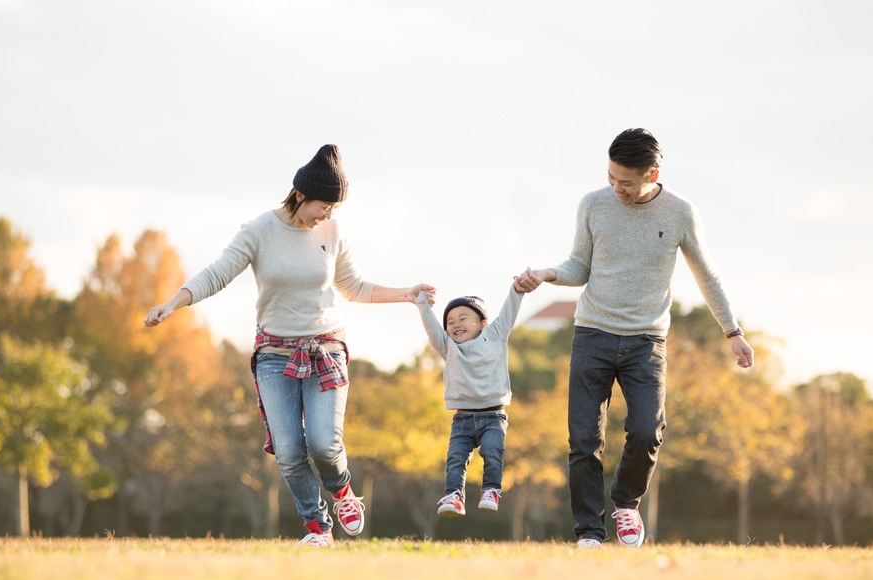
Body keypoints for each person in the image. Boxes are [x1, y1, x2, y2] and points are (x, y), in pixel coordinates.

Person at [144, 144, 435, 547]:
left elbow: (353, 286)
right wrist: (172, 303)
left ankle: (343, 492)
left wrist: (407, 293)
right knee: (288, 449)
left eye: (333, 208)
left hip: (325, 349)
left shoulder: (331, 233)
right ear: (300, 194)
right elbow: (217, 274)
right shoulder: (259, 231)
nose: (327, 215)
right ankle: (318, 529)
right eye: (323, 205)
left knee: (323, 443)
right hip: (274, 354)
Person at [514, 128, 753, 548]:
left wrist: (732, 332)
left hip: (646, 340)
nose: (616, 188)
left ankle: (626, 503)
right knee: (584, 439)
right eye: (611, 177)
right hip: (592, 333)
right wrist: (548, 275)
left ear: (652, 173)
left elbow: (707, 275)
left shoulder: (680, 213)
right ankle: (589, 532)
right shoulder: (592, 204)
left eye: (626, 182)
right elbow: (578, 267)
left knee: (647, 430)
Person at [414, 283, 526, 518]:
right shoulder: (448, 347)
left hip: (493, 416)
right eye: (451, 322)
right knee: (456, 458)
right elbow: (434, 331)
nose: (456, 324)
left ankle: (491, 490)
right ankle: (454, 496)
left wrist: (517, 290)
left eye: (463, 318)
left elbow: (508, 313)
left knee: (493, 450)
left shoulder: (495, 336)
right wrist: (423, 305)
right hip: (462, 418)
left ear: (483, 323)